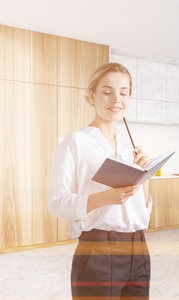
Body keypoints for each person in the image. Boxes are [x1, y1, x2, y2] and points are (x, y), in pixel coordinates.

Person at [48, 62, 152, 299]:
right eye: (107, 92)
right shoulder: (74, 142)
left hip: (139, 249)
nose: (116, 99)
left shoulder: (129, 151)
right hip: (98, 251)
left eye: (124, 93)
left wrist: (144, 174)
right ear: (91, 96)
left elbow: (143, 214)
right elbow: (57, 202)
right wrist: (106, 198)